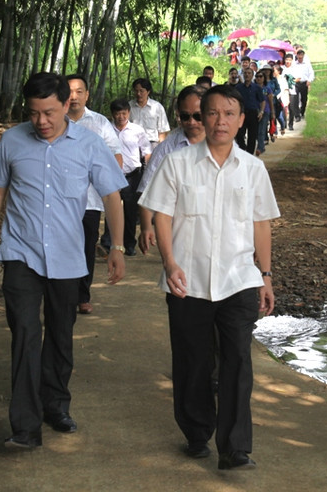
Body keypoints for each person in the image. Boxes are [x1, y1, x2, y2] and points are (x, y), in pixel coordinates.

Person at [0, 72, 127, 450]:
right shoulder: (12, 140)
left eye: (49, 113)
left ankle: (56, 405)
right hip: (21, 252)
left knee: (60, 333)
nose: (40, 121)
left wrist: (118, 247)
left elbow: (112, 196)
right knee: (26, 333)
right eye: (33, 113)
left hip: (68, 255)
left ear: (65, 105)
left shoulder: (89, 144)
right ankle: (25, 428)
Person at [138, 84, 280, 471]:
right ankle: (197, 433)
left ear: (241, 120)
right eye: (212, 113)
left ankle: (235, 448)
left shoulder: (253, 169)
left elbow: (261, 224)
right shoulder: (177, 163)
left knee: (237, 362)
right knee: (192, 361)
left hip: (239, 280)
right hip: (188, 282)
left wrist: (266, 276)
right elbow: (162, 215)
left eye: (229, 114)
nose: (220, 121)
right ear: (202, 116)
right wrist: (169, 263)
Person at [66, 74, 123, 315]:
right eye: (69, 91)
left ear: (87, 95)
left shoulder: (100, 123)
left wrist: (107, 184)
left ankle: (82, 295)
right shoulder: (53, 122)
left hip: (90, 200)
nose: (74, 96)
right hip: (61, 201)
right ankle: (63, 296)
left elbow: (116, 156)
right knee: (63, 247)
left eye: (79, 91)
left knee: (87, 248)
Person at [137, 85, 206, 254]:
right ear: (178, 115)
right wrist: (146, 226)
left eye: (198, 116)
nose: (192, 122)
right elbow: (147, 189)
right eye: (185, 116)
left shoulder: (223, 145)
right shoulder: (167, 149)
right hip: (179, 231)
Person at [106, 98, 152, 256]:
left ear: (129, 113)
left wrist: (148, 172)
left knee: (130, 211)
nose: (121, 117)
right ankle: (108, 242)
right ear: (112, 114)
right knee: (111, 208)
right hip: (111, 175)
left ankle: (129, 244)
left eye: (124, 113)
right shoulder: (106, 129)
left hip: (132, 176)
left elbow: (146, 151)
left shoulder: (137, 130)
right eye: (117, 113)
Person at [129, 78, 170, 149]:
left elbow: (163, 131)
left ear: (148, 91)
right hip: (133, 143)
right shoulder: (129, 106)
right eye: (136, 91)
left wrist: (160, 148)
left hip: (152, 143)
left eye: (141, 91)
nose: (138, 94)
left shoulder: (157, 107)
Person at [234, 67, 265, 155]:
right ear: (243, 75)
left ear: (252, 75)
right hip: (242, 113)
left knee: (252, 136)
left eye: (249, 73)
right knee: (239, 134)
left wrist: (261, 112)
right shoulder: (238, 87)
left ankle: (249, 154)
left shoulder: (257, 87)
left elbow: (262, 100)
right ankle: (242, 149)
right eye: (245, 73)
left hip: (253, 114)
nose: (247, 75)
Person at [292, 49, 315, 120]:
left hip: (304, 83)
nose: (300, 56)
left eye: (301, 55)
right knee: (295, 99)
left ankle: (302, 112)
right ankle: (297, 115)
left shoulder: (307, 64)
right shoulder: (294, 64)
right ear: (297, 55)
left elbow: (311, 73)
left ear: (303, 55)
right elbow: (291, 73)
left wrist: (309, 80)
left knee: (304, 99)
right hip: (296, 83)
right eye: (299, 55)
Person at [282, 54, 299, 130]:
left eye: (289, 60)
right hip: (283, 91)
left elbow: (298, 78)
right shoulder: (282, 68)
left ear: (292, 61)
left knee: (291, 108)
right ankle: (284, 123)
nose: (288, 61)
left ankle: (291, 124)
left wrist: (291, 80)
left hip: (292, 90)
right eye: (287, 60)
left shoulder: (294, 69)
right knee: (283, 108)